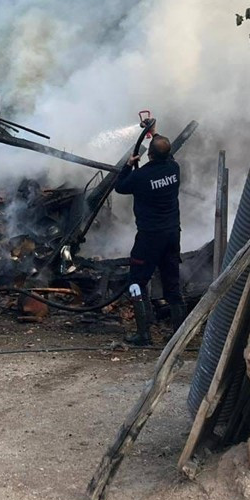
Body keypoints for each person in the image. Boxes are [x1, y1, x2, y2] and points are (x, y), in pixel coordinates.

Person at [114, 133, 184, 346]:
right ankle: (180, 334)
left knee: (136, 282)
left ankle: (143, 335)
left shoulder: (140, 176)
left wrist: (128, 165)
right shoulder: (174, 169)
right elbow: (166, 155)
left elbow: (119, 187)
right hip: (172, 234)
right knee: (172, 284)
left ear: (150, 155)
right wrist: (154, 133)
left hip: (149, 238)